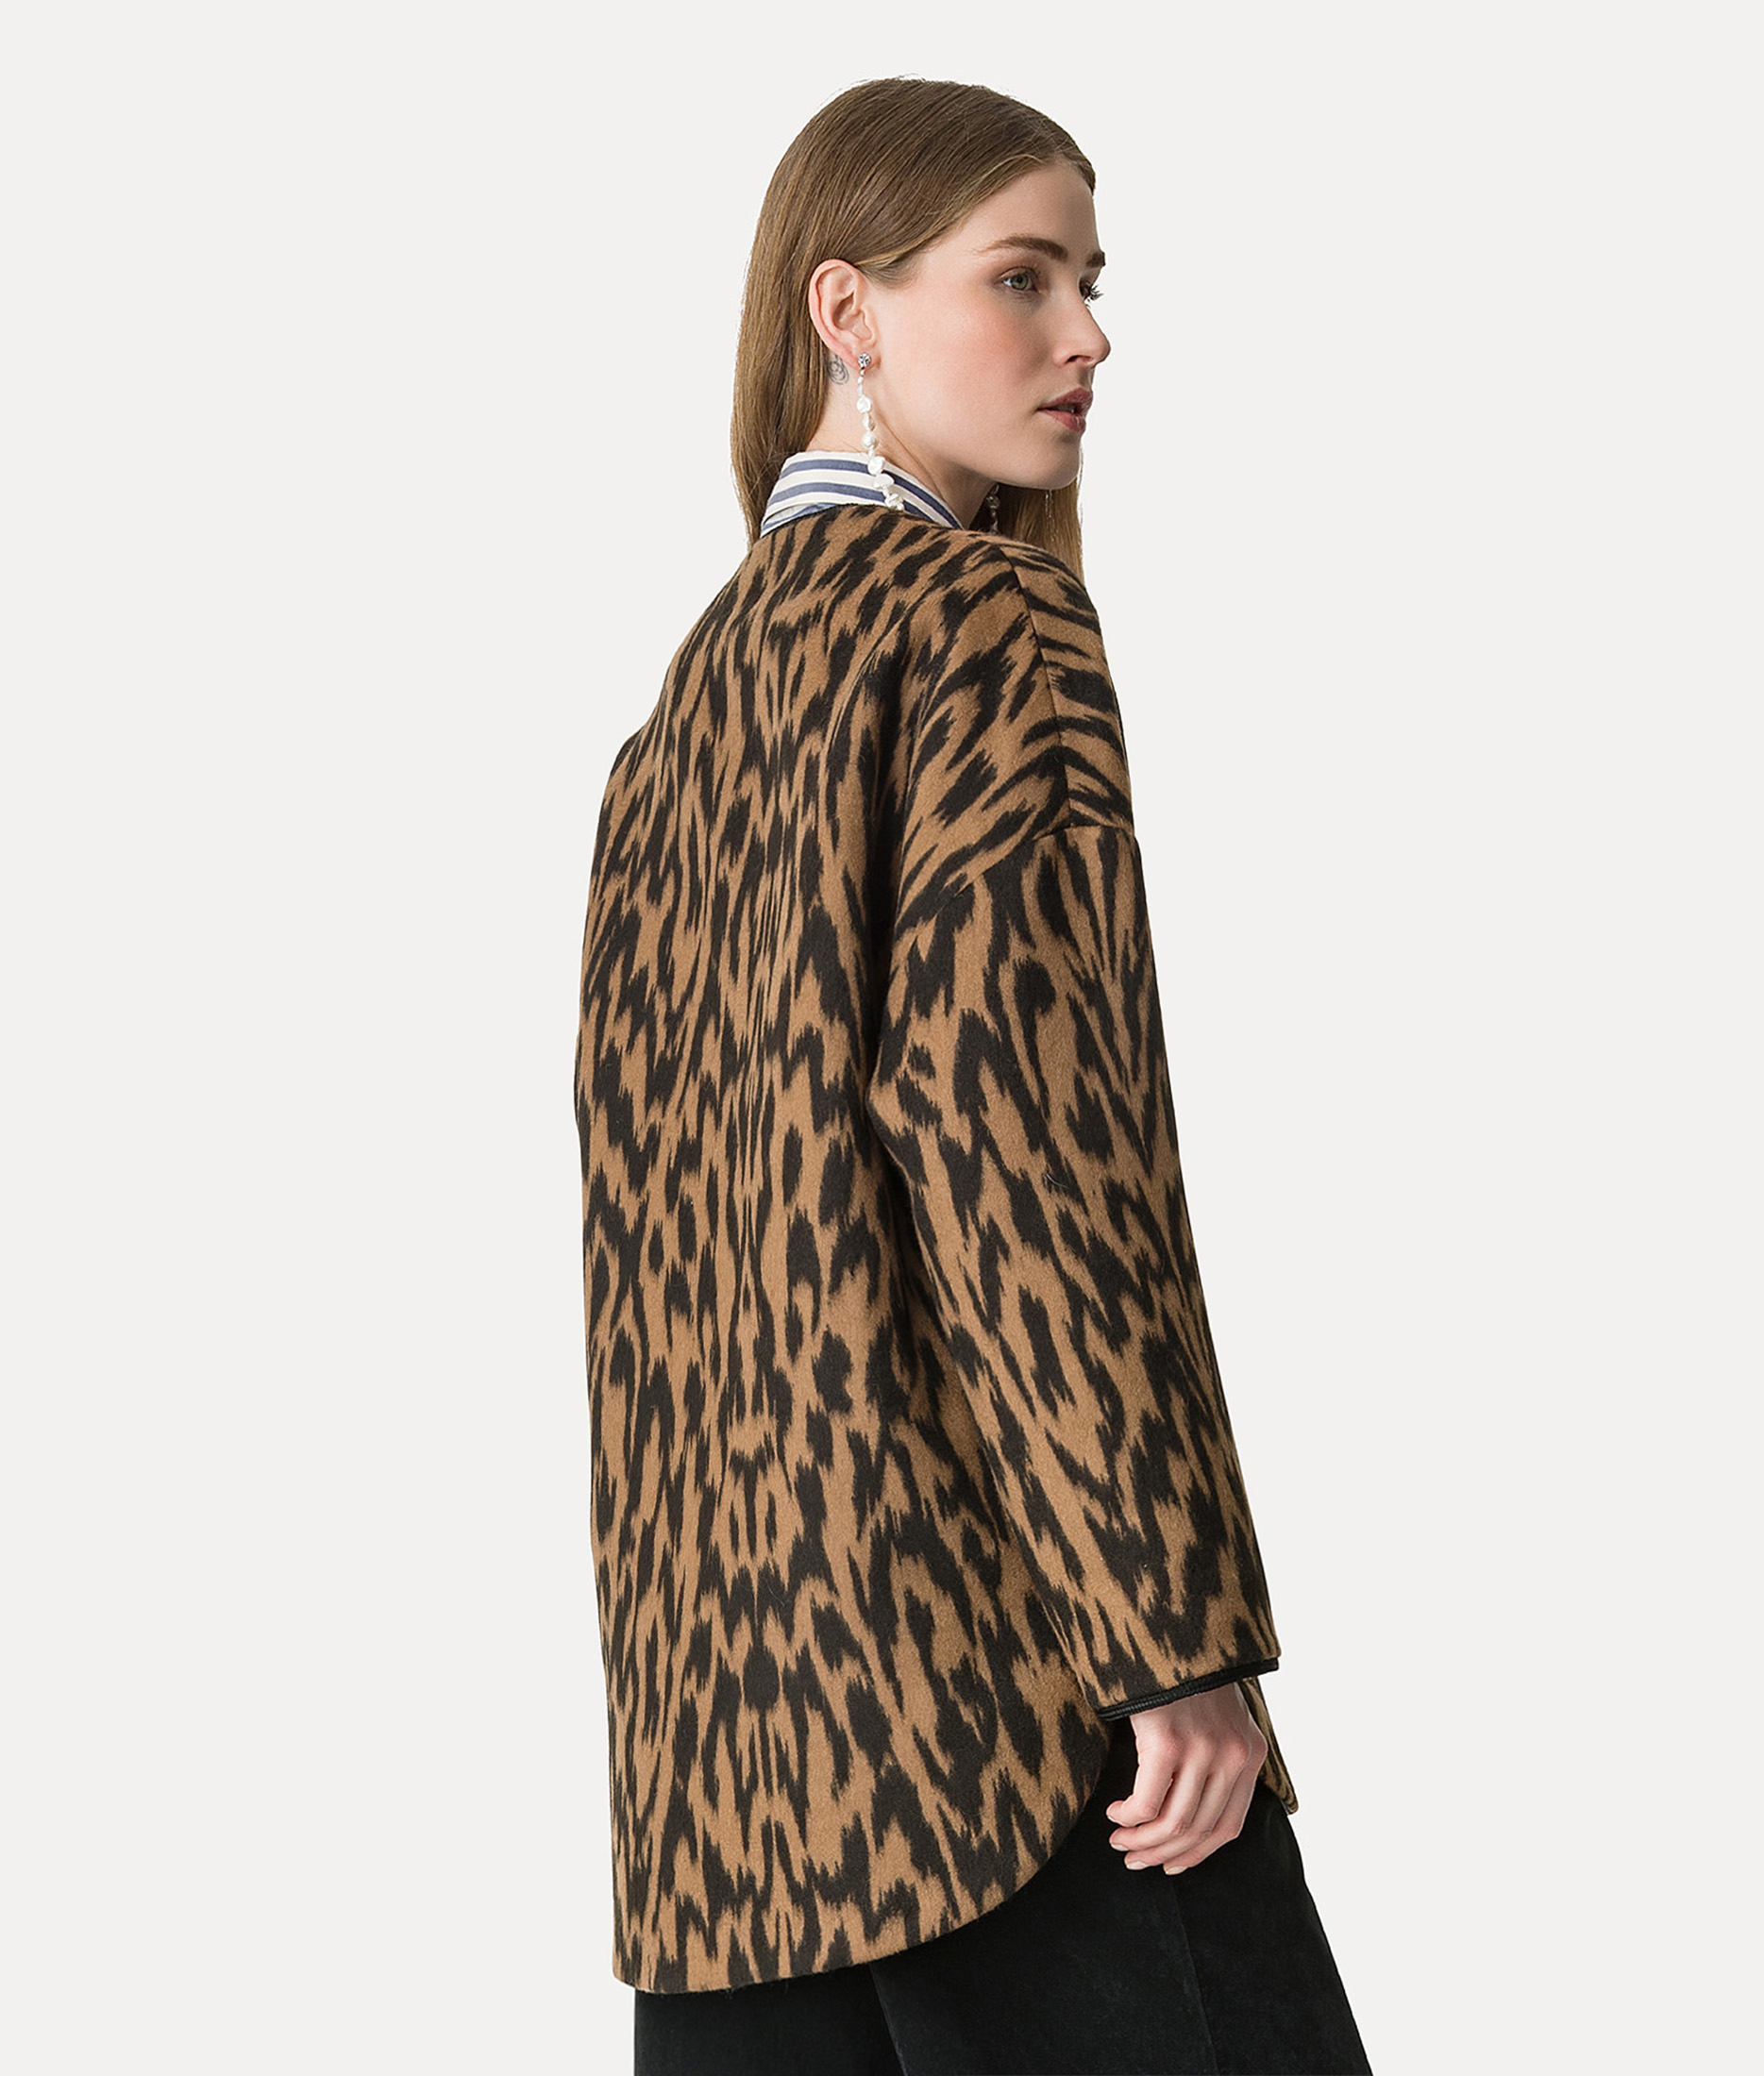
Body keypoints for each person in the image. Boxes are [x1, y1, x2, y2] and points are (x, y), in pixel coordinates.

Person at [575, 75, 1372, 2075]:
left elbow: (665, 1253)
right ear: (845, 309)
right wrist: (1171, 1639)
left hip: (733, 1768)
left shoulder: (683, 717)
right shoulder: (983, 626)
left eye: (1091, 281)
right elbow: (1013, 1153)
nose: (1088, 334)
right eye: (1022, 278)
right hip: (1005, 1714)